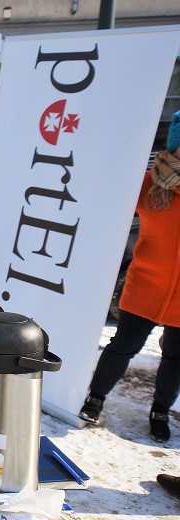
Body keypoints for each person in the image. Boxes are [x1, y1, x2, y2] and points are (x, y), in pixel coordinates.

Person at [80, 110, 180, 443]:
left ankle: (160, 410)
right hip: (146, 285)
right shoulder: (150, 184)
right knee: (123, 346)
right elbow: (110, 210)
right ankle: (95, 397)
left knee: (176, 356)